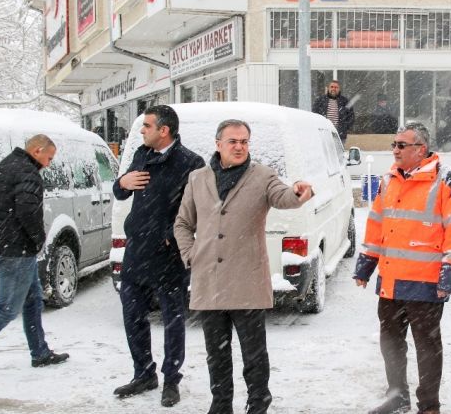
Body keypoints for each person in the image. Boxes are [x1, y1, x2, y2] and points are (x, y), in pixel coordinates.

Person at [173, 119, 314, 414]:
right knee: (217, 355)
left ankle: (258, 402)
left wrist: (299, 192)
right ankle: (221, 404)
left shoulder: (262, 176)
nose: (239, 147)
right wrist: (191, 254)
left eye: (244, 142)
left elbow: (284, 196)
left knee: (254, 354)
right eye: (233, 141)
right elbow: (183, 223)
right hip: (208, 282)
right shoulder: (198, 178)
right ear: (218, 144)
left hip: (246, 281)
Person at [353, 123, 451, 414]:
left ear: (420, 149)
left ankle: (429, 406)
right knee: (391, 343)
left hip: (427, 283)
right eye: (394, 144)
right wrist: (366, 265)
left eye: (401, 145)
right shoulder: (388, 180)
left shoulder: (448, 180)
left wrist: (450, 274)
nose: (395, 150)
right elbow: (376, 224)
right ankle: (397, 396)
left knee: (427, 347)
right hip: (391, 280)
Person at [112, 105, 205, 407]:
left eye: (146, 126)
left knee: (172, 319)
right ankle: (143, 373)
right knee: (132, 315)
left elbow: (197, 209)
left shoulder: (191, 163)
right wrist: (121, 183)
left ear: (164, 130)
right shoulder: (142, 154)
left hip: (168, 253)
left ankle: (171, 380)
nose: (142, 131)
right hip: (136, 248)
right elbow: (123, 190)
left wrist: (169, 233)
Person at [0, 134, 69, 368]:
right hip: (16, 249)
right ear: (37, 151)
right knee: (6, 309)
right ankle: (40, 352)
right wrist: (38, 240)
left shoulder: (6, 165)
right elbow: (27, 211)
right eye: (49, 158)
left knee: (33, 299)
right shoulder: (28, 173)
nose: (49, 163)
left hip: (4, 243)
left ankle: (40, 352)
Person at [313, 80, 355, 144]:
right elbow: (314, 115)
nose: (333, 89)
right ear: (328, 88)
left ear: (339, 89)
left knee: (339, 153)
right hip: (323, 134)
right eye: (332, 87)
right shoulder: (320, 100)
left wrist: (344, 127)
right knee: (324, 153)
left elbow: (351, 117)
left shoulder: (345, 101)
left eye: (336, 87)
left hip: (339, 135)